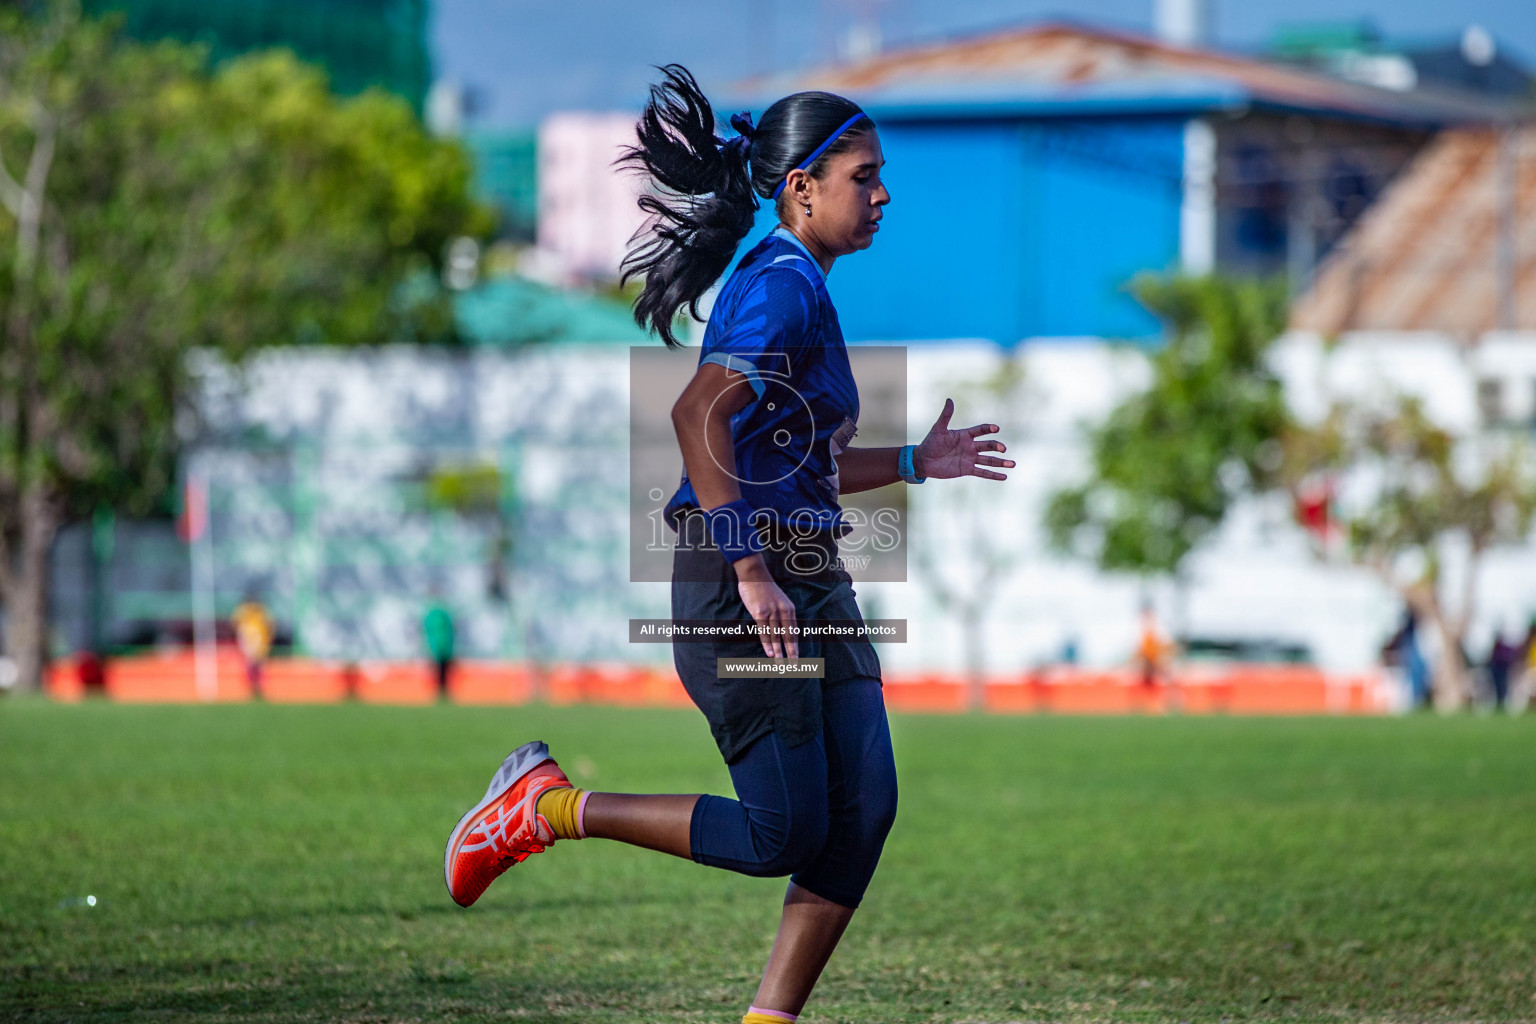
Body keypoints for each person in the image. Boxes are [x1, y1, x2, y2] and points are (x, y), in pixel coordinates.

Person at [441, 66, 1014, 1024]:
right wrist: (751, 571)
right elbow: (697, 411)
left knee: (863, 811)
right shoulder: (781, 288)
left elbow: (803, 465)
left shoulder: (806, 290)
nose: (882, 195)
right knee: (780, 833)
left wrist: (915, 460)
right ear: (802, 187)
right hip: (739, 583)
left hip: (811, 579)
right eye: (863, 176)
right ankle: (541, 808)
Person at [230, 592, 274, 700]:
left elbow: (235, 623)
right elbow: (270, 625)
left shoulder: (248, 611)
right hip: (253, 640)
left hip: (254, 640)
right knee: (254, 665)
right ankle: (255, 688)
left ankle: (256, 688)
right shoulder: (257, 611)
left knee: (254, 666)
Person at [423, 596, 456, 700]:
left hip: (437, 647)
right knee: (442, 671)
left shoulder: (431, 615)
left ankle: (440, 691)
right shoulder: (444, 615)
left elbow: (428, 631)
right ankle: (442, 691)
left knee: (439, 671)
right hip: (444, 647)